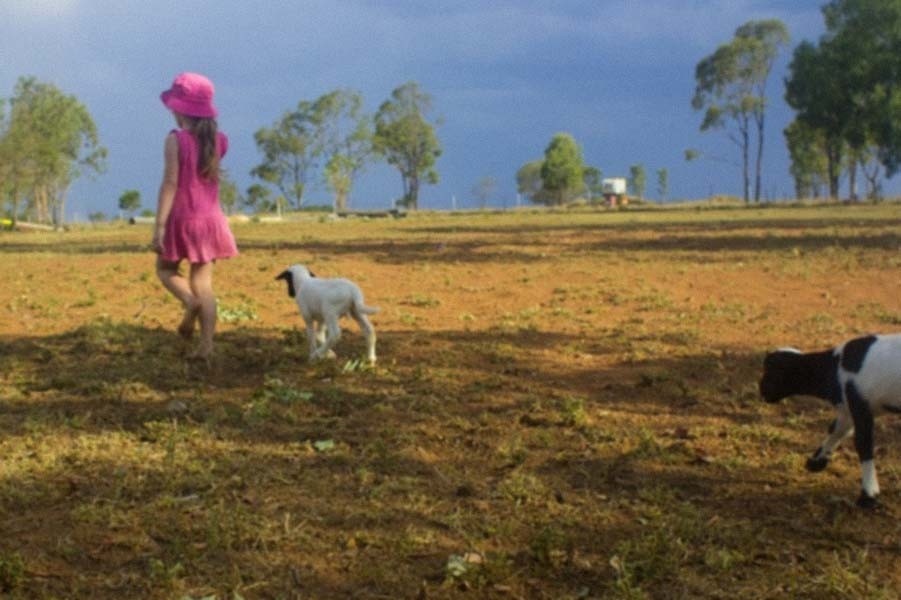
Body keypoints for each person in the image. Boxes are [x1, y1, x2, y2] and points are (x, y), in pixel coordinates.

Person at [152, 72, 238, 362]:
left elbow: (170, 183)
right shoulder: (220, 141)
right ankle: (207, 346)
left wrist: (159, 226)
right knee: (205, 284)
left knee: (165, 270)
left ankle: (189, 302)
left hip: (181, 219)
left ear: (179, 109)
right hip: (211, 221)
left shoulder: (175, 140)